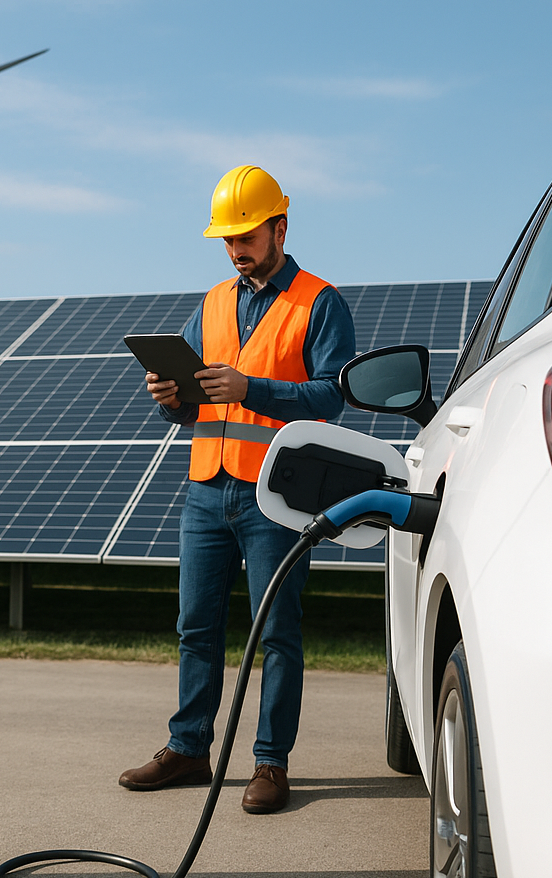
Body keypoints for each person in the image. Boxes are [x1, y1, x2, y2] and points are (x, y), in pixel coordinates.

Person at [119, 165, 356, 813]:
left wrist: (252, 389)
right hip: (206, 489)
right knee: (195, 626)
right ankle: (189, 749)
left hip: (276, 496)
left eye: (247, 233)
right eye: (228, 238)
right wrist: (170, 396)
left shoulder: (319, 301)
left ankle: (270, 764)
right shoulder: (214, 302)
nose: (236, 248)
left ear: (280, 226)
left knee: (276, 630)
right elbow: (196, 402)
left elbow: (334, 395)